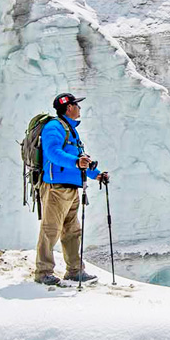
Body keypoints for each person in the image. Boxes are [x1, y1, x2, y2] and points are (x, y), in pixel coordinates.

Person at [34, 92, 109, 285]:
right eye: (77, 105)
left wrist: (97, 174)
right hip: (55, 188)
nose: (79, 108)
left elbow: (81, 161)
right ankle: (43, 273)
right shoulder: (54, 127)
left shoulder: (70, 130)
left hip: (71, 189)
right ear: (69, 107)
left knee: (72, 230)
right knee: (50, 230)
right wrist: (76, 162)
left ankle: (75, 271)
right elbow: (52, 153)